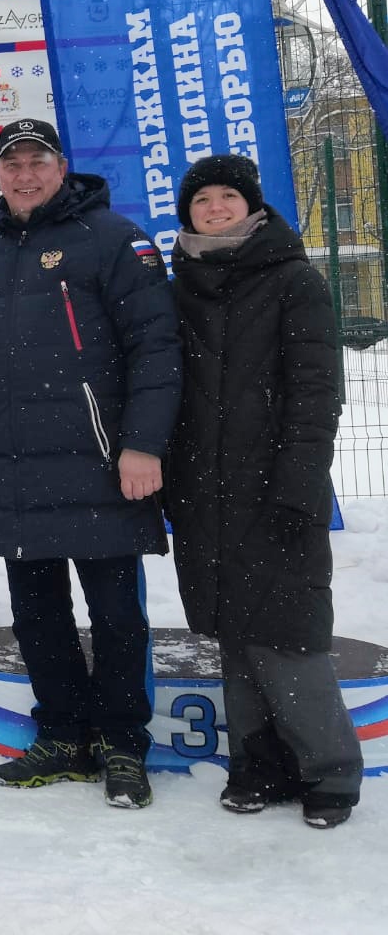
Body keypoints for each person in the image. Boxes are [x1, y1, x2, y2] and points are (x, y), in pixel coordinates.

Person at [0, 118, 181, 809]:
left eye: (36, 161)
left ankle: (122, 743)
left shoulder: (112, 239)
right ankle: (62, 735)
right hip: (12, 468)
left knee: (115, 616)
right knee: (35, 613)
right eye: (11, 164)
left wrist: (143, 444)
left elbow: (155, 351)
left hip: (103, 464)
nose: (24, 175)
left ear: (60, 166)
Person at [165, 155, 362, 829]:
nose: (214, 208)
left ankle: (329, 773)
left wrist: (298, 480)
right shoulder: (179, 285)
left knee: (286, 635)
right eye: (201, 200)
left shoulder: (292, 280)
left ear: (250, 207)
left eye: (227, 197)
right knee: (232, 633)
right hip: (201, 492)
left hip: (274, 487)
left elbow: (315, 394)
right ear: (186, 213)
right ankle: (258, 765)